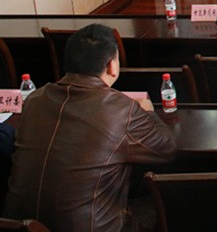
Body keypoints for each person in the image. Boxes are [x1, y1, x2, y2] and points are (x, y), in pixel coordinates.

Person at [4, 24, 177, 231]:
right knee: (167, 202)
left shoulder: (34, 99)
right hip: (92, 227)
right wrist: (148, 111)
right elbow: (167, 148)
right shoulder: (122, 109)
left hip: (15, 226)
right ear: (112, 66)